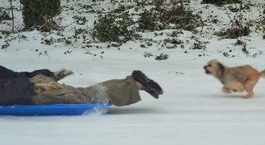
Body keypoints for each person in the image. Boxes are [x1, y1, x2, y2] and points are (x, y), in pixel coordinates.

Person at [0, 65, 163, 106]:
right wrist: (46, 77)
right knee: (81, 92)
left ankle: (135, 84)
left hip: (30, 91)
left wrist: (39, 84)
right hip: (32, 85)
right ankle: (133, 82)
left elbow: (6, 89)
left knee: (83, 97)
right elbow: (14, 77)